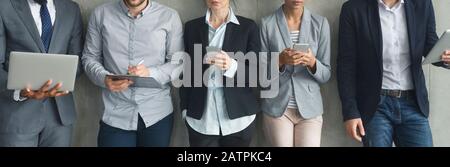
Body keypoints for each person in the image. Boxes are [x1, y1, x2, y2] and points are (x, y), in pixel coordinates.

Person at [338, 0, 450, 147]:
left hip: (413, 104)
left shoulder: (422, 4)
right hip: (375, 106)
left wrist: (446, 58)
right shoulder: (353, 8)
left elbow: (429, 45)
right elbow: (346, 65)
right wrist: (350, 112)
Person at [82, 0, 184, 147]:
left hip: (157, 113)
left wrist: (150, 72)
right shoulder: (100, 14)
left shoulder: (169, 16)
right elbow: (89, 57)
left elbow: (178, 63)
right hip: (115, 113)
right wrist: (104, 78)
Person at [0, 0, 84, 147]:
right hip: (17, 115)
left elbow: (77, 58)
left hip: (59, 117)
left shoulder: (71, 9)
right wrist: (22, 91)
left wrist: (61, 80)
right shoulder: (4, 6)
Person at [180, 0, 260, 147]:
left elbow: (258, 74)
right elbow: (186, 72)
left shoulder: (248, 27)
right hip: (201, 119)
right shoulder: (192, 27)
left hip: (239, 119)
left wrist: (232, 65)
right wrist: (185, 109)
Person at [260, 0, 331, 147]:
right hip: (277, 107)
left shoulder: (320, 23)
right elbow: (261, 75)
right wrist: (279, 60)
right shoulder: (267, 24)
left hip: (310, 109)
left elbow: (326, 75)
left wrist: (312, 62)